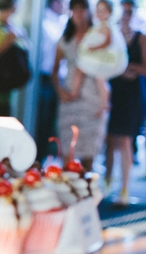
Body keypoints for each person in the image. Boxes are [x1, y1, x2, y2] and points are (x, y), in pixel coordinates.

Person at [54, 0, 108, 172]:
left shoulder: (97, 36)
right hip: (70, 96)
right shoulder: (65, 39)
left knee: (89, 149)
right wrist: (60, 91)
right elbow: (54, 71)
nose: (78, 13)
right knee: (67, 148)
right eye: (75, 9)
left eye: (82, 9)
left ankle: (85, 190)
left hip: (93, 96)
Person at [106, 0, 146, 205]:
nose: (126, 15)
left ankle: (124, 188)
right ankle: (107, 184)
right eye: (124, 11)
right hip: (113, 91)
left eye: (130, 12)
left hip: (132, 94)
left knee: (125, 139)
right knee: (110, 139)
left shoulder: (141, 38)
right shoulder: (111, 35)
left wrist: (129, 68)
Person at [36, 0, 68, 163]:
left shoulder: (63, 22)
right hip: (45, 79)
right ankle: (38, 159)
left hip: (61, 80)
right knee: (43, 122)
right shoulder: (43, 22)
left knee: (53, 124)